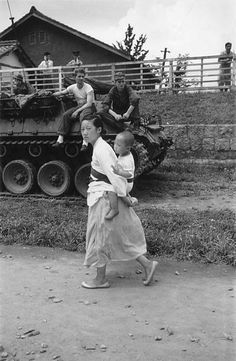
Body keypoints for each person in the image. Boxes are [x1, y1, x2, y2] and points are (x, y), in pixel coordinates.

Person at [80, 114, 158, 289]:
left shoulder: (101, 149)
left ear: (99, 130)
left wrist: (125, 197)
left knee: (99, 237)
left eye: (88, 129)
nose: (84, 132)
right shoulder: (100, 147)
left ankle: (100, 279)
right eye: (82, 129)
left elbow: (114, 177)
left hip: (104, 198)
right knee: (119, 236)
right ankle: (147, 264)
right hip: (104, 196)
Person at [52, 68, 96, 149]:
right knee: (66, 115)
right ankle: (60, 140)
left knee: (83, 116)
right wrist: (51, 94)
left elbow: (89, 103)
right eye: (79, 76)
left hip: (89, 107)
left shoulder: (88, 88)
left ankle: (85, 142)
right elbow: (62, 92)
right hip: (79, 106)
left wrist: (77, 111)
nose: (81, 78)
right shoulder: (72, 87)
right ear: (75, 77)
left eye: (83, 76)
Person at [105, 130, 138, 220]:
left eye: (119, 145)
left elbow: (129, 174)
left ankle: (117, 208)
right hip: (123, 180)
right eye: (115, 143)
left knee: (112, 190)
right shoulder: (124, 154)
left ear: (127, 148)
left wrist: (119, 172)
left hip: (126, 183)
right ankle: (129, 197)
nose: (115, 146)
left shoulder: (126, 160)